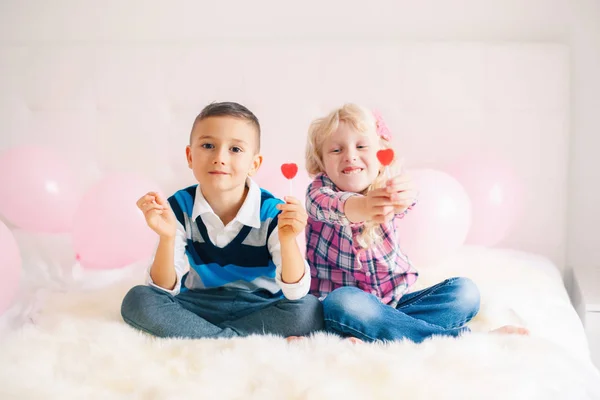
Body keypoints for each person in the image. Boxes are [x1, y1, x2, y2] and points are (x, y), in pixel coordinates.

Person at [304, 103, 528, 343]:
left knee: (465, 293)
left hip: (395, 302)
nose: (350, 155)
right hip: (344, 305)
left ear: (380, 154)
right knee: (345, 302)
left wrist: (405, 196)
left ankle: (382, 330)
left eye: (361, 146)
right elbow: (336, 207)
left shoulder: (387, 185)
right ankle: (461, 339)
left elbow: (408, 199)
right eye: (336, 150)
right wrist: (366, 206)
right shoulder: (317, 193)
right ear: (321, 162)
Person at [121, 101, 323, 339]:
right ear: (190, 156)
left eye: (235, 150)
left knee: (309, 309)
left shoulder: (271, 211)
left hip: (259, 306)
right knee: (138, 298)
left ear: (254, 164)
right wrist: (167, 238)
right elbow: (162, 288)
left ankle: (208, 339)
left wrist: (288, 240)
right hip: (198, 304)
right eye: (208, 146)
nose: (219, 157)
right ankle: (232, 339)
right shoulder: (178, 206)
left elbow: (295, 291)